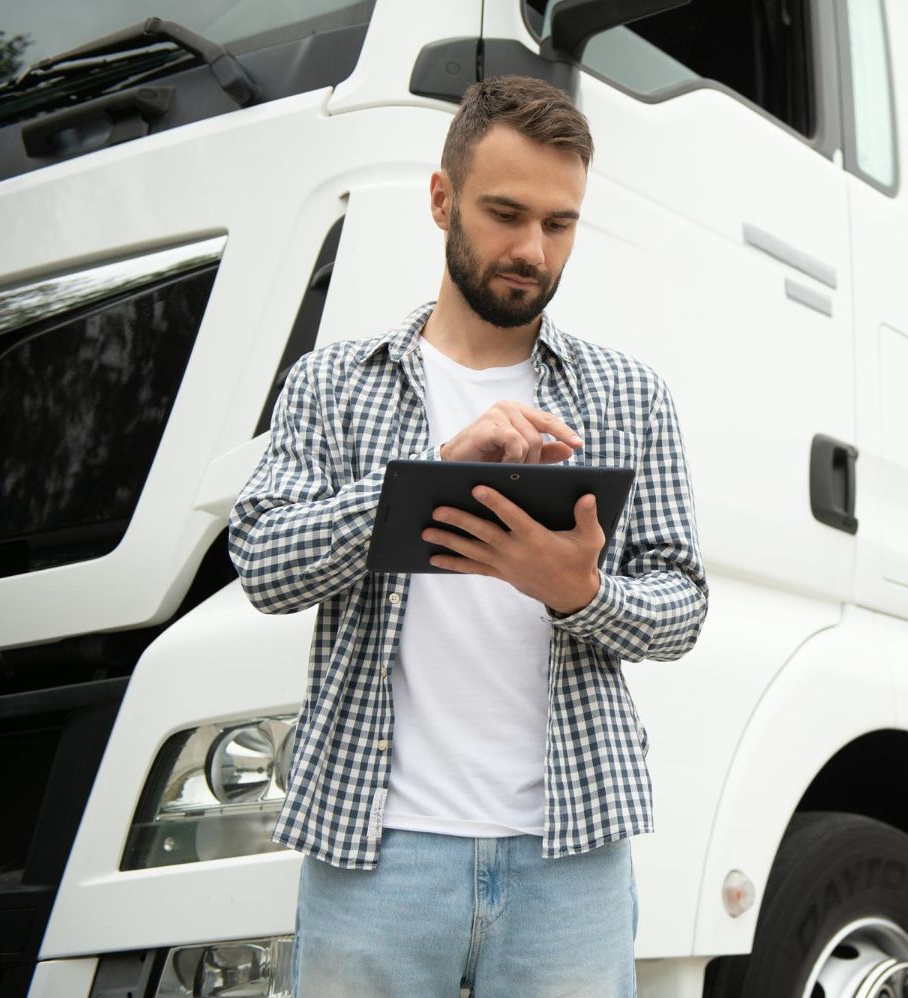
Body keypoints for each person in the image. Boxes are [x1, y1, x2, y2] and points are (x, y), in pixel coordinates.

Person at [227, 74, 708, 997]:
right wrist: (427, 479)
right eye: (504, 212)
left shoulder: (629, 396)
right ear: (443, 200)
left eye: (559, 224)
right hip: (377, 854)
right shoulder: (335, 384)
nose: (532, 249)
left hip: (571, 857)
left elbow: (682, 606)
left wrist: (580, 591)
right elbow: (264, 563)